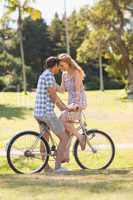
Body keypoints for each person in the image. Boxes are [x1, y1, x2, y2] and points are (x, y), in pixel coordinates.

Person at [34, 56, 71, 172]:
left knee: (44, 140)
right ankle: (58, 167)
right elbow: (52, 94)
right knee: (64, 138)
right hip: (47, 113)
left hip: (39, 113)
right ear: (54, 66)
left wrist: (65, 78)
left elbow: (60, 90)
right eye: (59, 67)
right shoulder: (49, 76)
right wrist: (62, 107)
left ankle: (46, 167)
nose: (59, 69)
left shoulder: (45, 75)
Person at [56, 53, 87, 162]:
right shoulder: (64, 74)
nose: (60, 67)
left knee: (63, 120)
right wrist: (50, 86)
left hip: (79, 102)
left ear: (68, 63)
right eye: (59, 65)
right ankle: (66, 156)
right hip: (71, 103)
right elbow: (62, 89)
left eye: (61, 65)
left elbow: (78, 90)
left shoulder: (76, 72)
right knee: (66, 129)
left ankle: (81, 137)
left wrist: (76, 104)